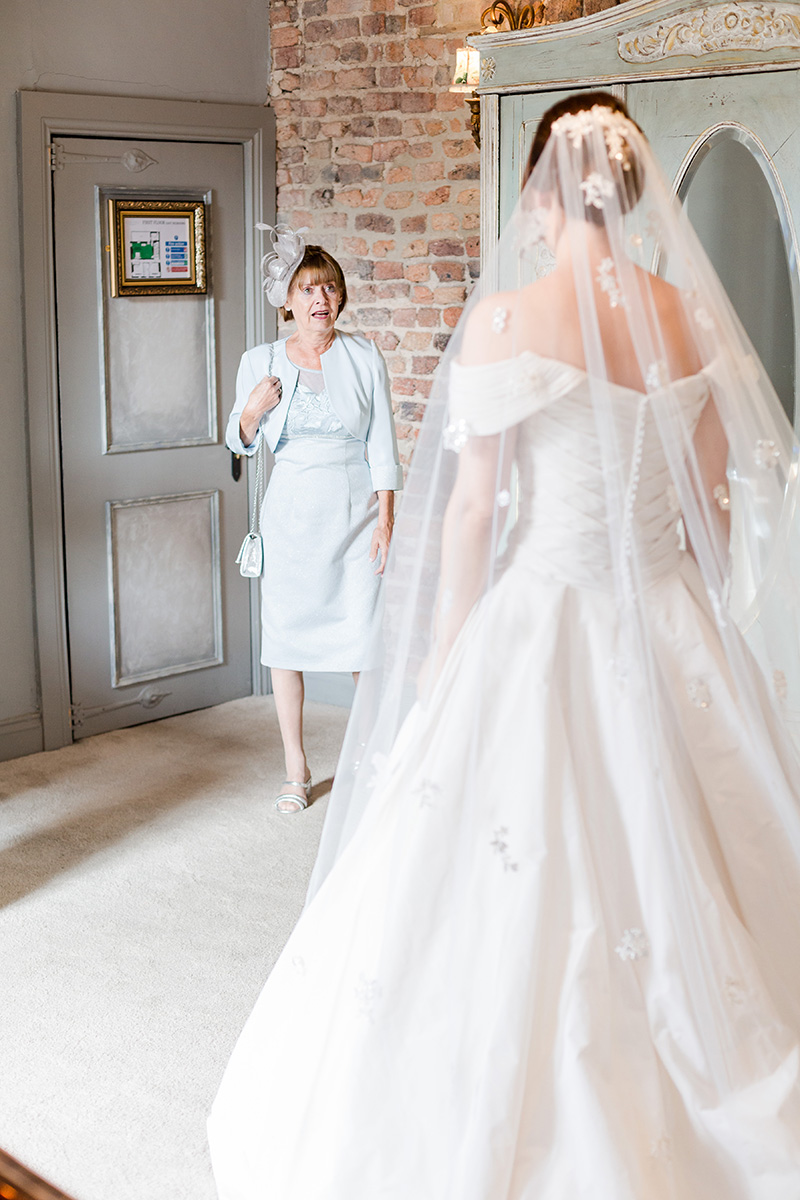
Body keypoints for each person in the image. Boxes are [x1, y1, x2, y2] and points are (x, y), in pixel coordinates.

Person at [209, 94, 800, 1196]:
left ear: (539, 189)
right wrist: (705, 621)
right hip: (668, 616)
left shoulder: (508, 320)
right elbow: (713, 503)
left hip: (542, 612)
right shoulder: (688, 319)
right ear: (630, 191)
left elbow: (473, 517)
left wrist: (442, 664)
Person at [226, 229, 403, 812]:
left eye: (329, 287)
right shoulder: (261, 360)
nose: (320, 298)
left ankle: (372, 756)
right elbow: (240, 440)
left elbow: (382, 443)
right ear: (289, 300)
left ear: (340, 296)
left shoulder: (363, 354)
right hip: (292, 518)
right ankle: (296, 766)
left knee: (363, 642)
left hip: (357, 517)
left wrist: (386, 521)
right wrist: (252, 411)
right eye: (307, 289)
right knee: (286, 643)